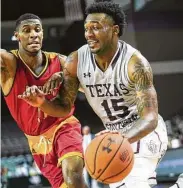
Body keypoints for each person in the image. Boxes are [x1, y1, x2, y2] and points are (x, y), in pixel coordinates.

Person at [18, 1, 168, 188]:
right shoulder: (76, 61)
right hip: (114, 137)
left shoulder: (135, 64)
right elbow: (64, 108)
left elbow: (150, 118)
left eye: (96, 28)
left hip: (144, 133)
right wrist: (42, 103)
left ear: (114, 30)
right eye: (87, 28)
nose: (89, 34)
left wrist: (120, 139)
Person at [0, 13, 87, 188]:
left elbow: (90, 86)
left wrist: (64, 76)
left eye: (37, 30)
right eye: (27, 30)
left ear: (42, 34)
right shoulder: (9, 64)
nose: (33, 34)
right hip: (37, 142)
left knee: (73, 179)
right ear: (17, 36)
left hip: (63, 126)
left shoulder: (60, 61)